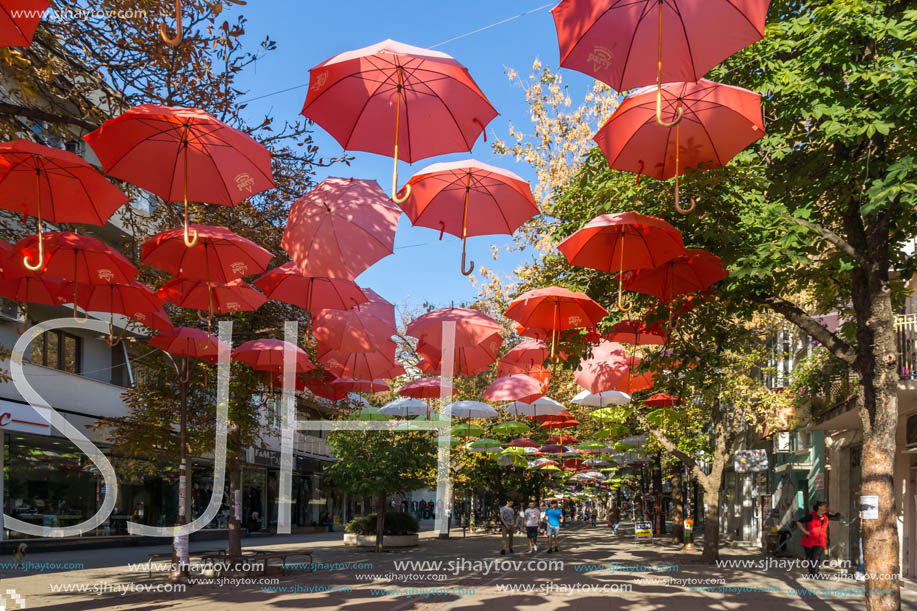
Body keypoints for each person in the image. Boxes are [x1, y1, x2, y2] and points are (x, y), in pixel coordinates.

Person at [796, 501, 841, 579]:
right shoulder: (811, 516)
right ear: (819, 508)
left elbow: (837, 517)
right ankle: (812, 573)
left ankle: (815, 573)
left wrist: (830, 510)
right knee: (810, 557)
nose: (825, 509)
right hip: (809, 540)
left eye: (825, 507)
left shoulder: (826, 516)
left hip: (821, 540)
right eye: (823, 507)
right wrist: (805, 532)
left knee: (816, 557)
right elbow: (799, 522)